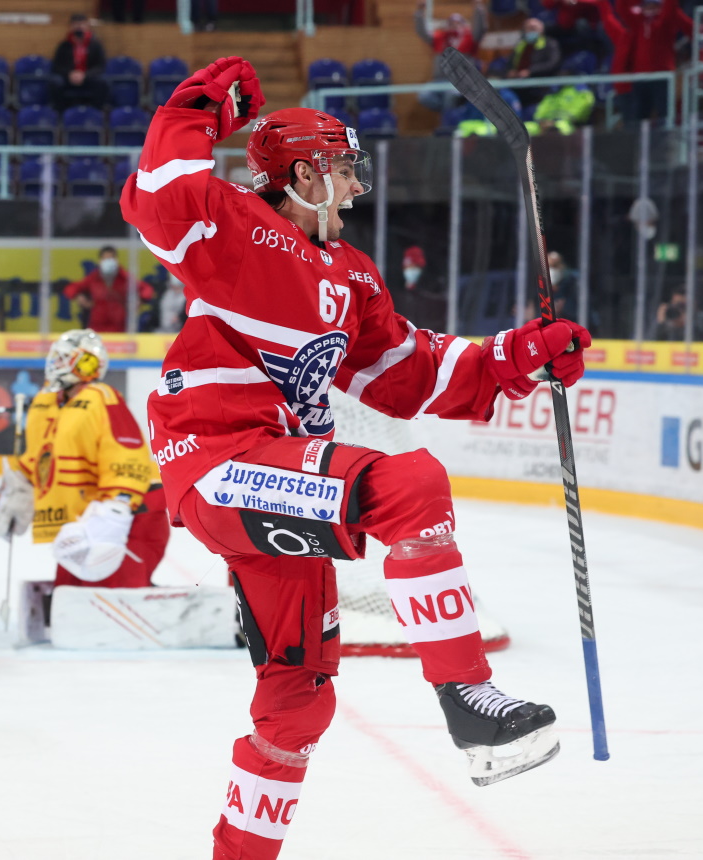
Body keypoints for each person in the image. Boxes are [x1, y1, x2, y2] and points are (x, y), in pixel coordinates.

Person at [122, 57, 591, 858]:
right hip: (215, 462)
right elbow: (161, 198)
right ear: (302, 172)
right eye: (340, 166)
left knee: (298, 700)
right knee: (409, 482)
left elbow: (405, 370)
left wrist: (515, 360)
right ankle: (465, 693)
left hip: (279, 479)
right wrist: (194, 107)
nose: (352, 182)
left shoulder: (350, 274)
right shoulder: (237, 231)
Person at [0, 329, 170, 589]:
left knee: (113, 597)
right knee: (70, 593)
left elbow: (125, 453)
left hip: (131, 513)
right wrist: (18, 486)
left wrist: (118, 506)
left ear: (84, 364)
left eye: (63, 358)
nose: (54, 364)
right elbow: (39, 455)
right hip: (86, 521)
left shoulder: (102, 398)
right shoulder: (46, 404)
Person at [414, 0, 486, 114]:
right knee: (424, 96)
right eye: (451, 23)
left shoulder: (470, 37)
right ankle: (446, 115)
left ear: (463, 24)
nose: (454, 25)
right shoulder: (440, 38)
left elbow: (480, 29)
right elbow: (422, 32)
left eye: (457, 23)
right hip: (439, 81)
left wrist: (478, 7)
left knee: (450, 96)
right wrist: (419, 11)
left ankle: (448, 122)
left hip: (461, 81)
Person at [62, 246, 154, 333]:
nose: (108, 261)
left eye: (111, 258)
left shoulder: (124, 277)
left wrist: (140, 300)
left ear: (116, 260)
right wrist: (78, 296)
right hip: (97, 325)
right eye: (105, 258)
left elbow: (146, 289)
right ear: (100, 260)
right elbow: (71, 288)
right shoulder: (94, 278)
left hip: (120, 326)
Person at [51, 14, 109, 112]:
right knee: (55, 82)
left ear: (87, 27)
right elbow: (57, 66)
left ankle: (96, 112)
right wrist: (70, 74)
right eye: (76, 25)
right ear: (71, 27)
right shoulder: (64, 46)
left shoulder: (95, 45)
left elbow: (100, 66)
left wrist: (85, 75)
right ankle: (61, 113)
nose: (79, 28)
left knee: (103, 82)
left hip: (88, 78)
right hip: (69, 78)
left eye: (82, 25)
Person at [389, 245, 447, 328]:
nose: (411, 271)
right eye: (408, 267)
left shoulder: (432, 289)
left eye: (415, 267)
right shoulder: (396, 291)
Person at [506, 17, 562, 102]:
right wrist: (511, 71)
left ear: (541, 30)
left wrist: (530, 71)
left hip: (540, 85)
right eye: (529, 28)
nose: (531, 31)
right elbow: (510, 62)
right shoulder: (520, 44)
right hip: (518, 84)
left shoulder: (550, 44)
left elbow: (553, 63)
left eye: (534, 28)